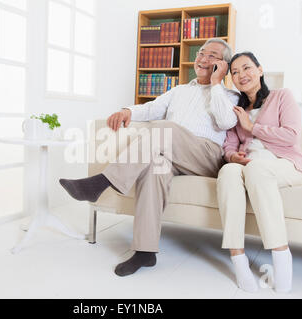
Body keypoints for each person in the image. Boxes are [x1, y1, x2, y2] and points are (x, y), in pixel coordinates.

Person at [60, 38, 239, 277]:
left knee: (163, 128)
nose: (203, 59)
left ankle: (100, 183)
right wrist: (127, 111)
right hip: (170, 149)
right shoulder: (180, 91)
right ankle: (145, 252)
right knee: (155, 168)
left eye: (212, 56)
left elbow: (226, 122)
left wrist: (217, 83)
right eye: (201, 53)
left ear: (224, 65)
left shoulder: (229, 94)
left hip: (205, 155)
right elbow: (152, 108)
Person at [217, 52, 302, 293]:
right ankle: (238, 259)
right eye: (235, 73)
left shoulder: (282, 96)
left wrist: (253, 127)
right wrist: (232, 156)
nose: (241, 75)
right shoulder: (236, 109)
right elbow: (228, 144)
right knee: (227, 172)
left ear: (260, 70)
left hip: (285, 163)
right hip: (250, 166)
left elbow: (291, 135)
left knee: (257, 169)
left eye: (246, 68)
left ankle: (281, 256)